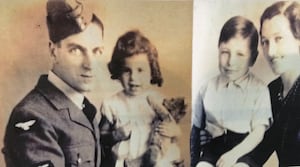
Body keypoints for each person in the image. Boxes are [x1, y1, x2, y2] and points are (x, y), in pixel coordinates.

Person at [2, 0, 104, 167]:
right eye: (76, 50)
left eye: (96, 51)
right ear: (53, 51)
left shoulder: (83, 107)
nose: (90, 64)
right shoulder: (34, 116)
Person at [190, 16, 273, 167]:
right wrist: (194, 160)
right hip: (214, 148)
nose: (230, 61)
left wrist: (234, 154)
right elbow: (196, 129)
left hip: (244, 150)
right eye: (225, 52)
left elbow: (258, 133)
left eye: (240, 55)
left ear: (252, 58)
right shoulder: (207, 88)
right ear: (218, 49)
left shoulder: (259, 90)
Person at [99, 30, 183, 167]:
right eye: (127, 70)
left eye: (140, 70)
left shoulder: (158, 101)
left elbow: (175, 134)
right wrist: (116, 135)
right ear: (118, 72)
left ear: (151, 71)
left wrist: (174, 131)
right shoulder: (112, 104)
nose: (133, 78)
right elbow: (102, 138)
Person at [237, 1, 300, 167]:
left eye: (278, 39)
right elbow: (258, 150)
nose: (270, 52)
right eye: (265, 41)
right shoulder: (273, 91)